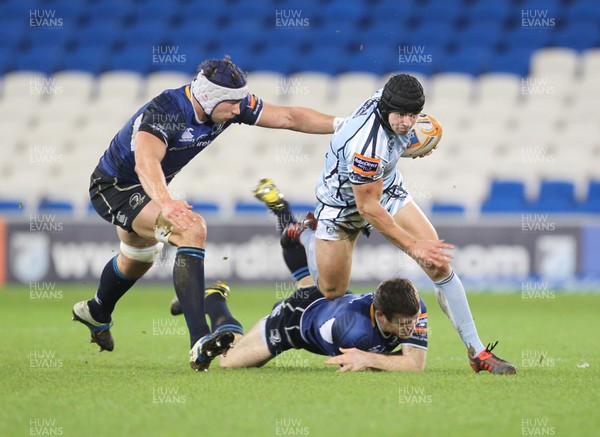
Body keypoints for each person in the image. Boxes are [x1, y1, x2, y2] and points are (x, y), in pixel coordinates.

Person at [71, 55, 343, 371]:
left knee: (137, 257)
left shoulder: (228, 104)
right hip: (115, 187)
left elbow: (289, 117)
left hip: (149, 187)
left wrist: (343, 124)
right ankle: (199, 338)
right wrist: (167, 203)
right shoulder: (166, 111)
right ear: (209, 98)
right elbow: (145, 162)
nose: (239, 110)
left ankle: (96, 310)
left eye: (241, 103)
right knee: (191, 229)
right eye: (232, 105)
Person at [254, 74, 517, 375]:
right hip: (342, 208)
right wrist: (413, 245)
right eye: (401, 116)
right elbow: (368, 209)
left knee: (438, 265)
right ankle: (306, 233)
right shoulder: (366, 148)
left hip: (386, 189)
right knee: (331, 290)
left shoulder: (390, 99)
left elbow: (392, 150)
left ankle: (477, 351)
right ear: (385, 108)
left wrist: (410, 143)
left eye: (413, 115)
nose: (407, 122)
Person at [171, 193, 429, 372]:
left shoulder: (413, 306)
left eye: (413, 320)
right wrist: (374, 359)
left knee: (308, 278)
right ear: (381, 316)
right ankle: (213, 299)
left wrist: (375, 359)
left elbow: (413, 364)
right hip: (294, 320)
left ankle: (286, 217)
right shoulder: (353, 330)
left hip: (327, 301)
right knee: (228, 360)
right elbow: (377, 364)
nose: (411, 327)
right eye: (404, 323)